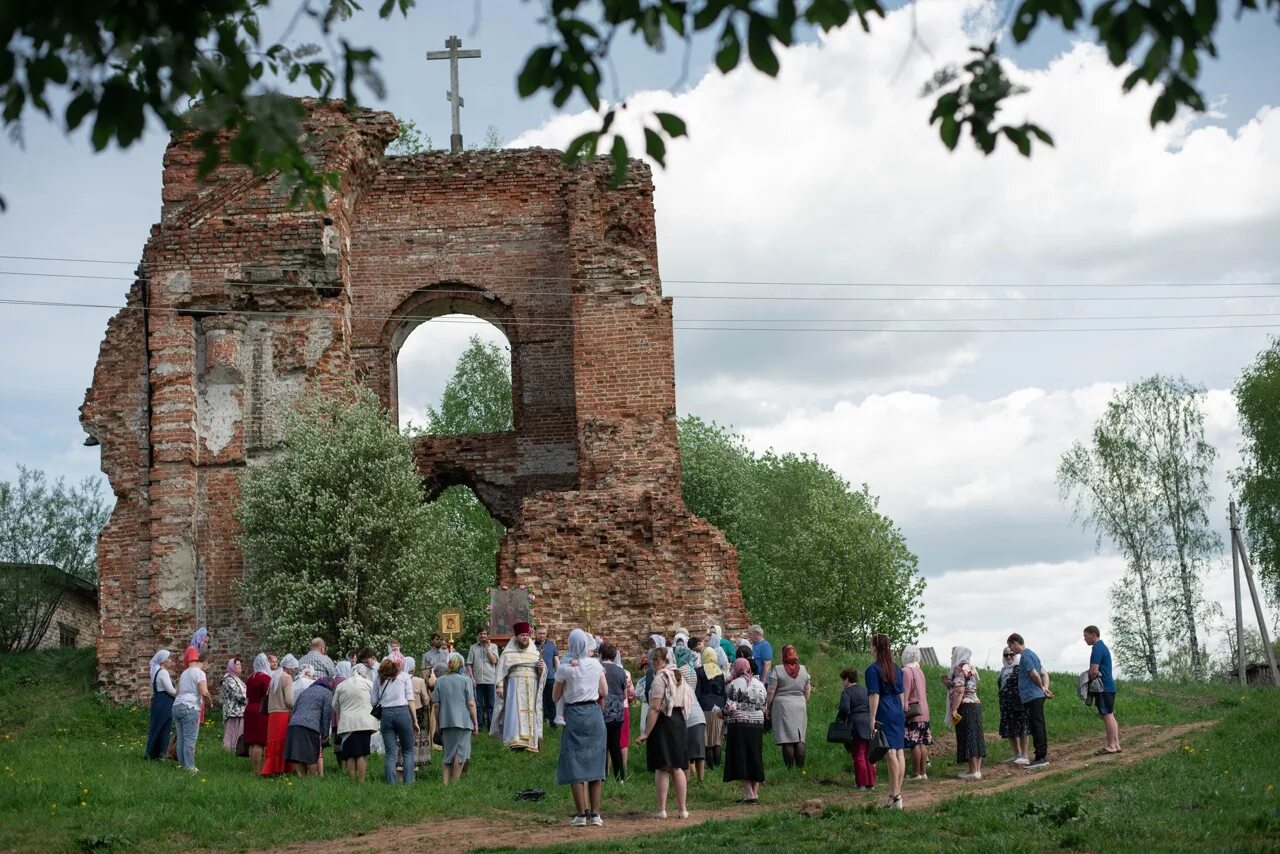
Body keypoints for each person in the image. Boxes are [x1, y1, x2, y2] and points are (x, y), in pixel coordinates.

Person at [553, 628, 608, 826]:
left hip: (575, 715)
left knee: (575, 762)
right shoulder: (596, 665)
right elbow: (604, 690)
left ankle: (581, 814)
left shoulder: (566, 668)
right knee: (595, 762)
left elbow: (555, 696)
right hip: (594, 714)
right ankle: (596, 814)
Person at [637, 646, 691, 819]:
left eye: (657, 660)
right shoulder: (679, 676)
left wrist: (646, 732)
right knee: (677, 766)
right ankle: (682, 809)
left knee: (662, 766)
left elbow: (654, 707)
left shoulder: (661, 678)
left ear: (665, 661)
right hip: (678, 721)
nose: (654, 664)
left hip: (664, 722)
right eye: (653, 660)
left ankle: (662, 809)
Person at [492, 621, 548, 751]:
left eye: (527, 635)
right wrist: (499, 685)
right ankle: (514, 739)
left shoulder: (534, 652)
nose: (525, 637)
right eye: (522, 635)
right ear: (516, 637)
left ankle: (531, 742)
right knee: (514, 712)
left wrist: (541, 669)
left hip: (531, 687)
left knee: (531, 711)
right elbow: (501, 670)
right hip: (514, 686)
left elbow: (543, 670)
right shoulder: (508, 653)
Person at [866, 633, 905, 809]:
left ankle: (895, 796)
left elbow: (874, 694)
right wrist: (902, 709)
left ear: (875, 647)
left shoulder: (873, 670)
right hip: (897, 709)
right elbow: (901, 692)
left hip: (884, 709)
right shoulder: (896, 668)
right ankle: (895, 794)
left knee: (889, 752)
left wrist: (872, 717)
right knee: (899, 752)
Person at [722, 657, 766, 805]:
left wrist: (721, 713)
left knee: (741, 757)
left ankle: (749, 793)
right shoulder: (760, 684)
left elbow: (731, 707)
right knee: (754, 756)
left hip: (739, 724)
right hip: (757, 724)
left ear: (737, 668)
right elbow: (764, 705)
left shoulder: (734, 684)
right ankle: (755, 793)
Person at [1007, 632, 1052, 768]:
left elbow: (1034, 673)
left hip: (1033, 696)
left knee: (1036, 725)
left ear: (1016, 643)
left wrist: (1042, 688)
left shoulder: (1025, 656)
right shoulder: (1032, 654)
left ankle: (1041, 757)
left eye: (1011, 646)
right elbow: (1043, 673)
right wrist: (1044, 688)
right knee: (1037, 725)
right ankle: (1041, 754)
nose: (1011, 650)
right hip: (1034, 696)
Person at [433, 652, 478, 785]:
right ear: (461, 666)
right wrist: (475, 722)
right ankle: (455, 782)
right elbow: (471, 703)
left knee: (447, 753)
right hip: (464, 722)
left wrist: (438, 723)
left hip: (446, 722)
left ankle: (445, 783)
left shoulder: (440, 681)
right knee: (461, 753)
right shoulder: (466, 680)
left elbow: (436, 705)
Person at [765, 644, 812, 770]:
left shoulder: (778, 669)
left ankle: (789, 769)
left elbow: (771, 690)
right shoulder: (803, 669)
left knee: (787, 738)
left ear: (783, 655)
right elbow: (807, 689)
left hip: (783, 706)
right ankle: (800, 768)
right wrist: (804, 701)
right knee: (799, 737)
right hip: (800, 705)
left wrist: (768, 707)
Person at [332, 656, 378, 782]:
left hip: (347, 723)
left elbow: (334, 704)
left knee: (350, 754)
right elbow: (375, 700)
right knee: (362, 753)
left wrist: (342, 713)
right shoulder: (368, 683)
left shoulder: (341, 685)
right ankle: (361, 780)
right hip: (365, 722)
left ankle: (352, 780)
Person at [375, 656, 418, 784]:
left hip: (386, 714)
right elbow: (410, 699)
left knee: (390, 753)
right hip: (402, 713)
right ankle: (408, 782)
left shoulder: (379, 678)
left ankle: (390, 783)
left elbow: (373, 700)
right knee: (408, 750)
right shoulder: (405, 677)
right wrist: (415, 720)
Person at [945, 646, 986, 780]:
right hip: (975, 704)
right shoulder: (971, 668)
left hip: (965, 706)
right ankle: (977, 770)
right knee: (976, 736)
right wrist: (949, 683)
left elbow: (959, 691)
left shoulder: (959, 668)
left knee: (968, 736)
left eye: (953, 654)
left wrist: (954, 709)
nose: (952, 657)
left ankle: (972, 770)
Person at [286, 674, 334, 776]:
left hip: (294, 724)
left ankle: (302, 779)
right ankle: (312, 779)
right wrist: (325, 734)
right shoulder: (327, 693)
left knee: (299, 756)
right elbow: (326, 715)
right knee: (310, 756)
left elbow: (294, 708)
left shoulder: (305, 691)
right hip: (310, 726)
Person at [1084, 625, 1121, 754]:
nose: (1084, 639)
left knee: (1106, 715)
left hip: (1103, 688)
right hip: (1109, 686)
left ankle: (1111, 745)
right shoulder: (1103, 647)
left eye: (1086, 636)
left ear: (1093, 635)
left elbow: (1094, 671)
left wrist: (1087, 681)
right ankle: (1116, 744)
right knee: (1110, 714)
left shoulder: (1097, 648)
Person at [837, 667, 876, 790]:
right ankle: (871, 783)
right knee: (868, 754)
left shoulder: (847, 692)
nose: (843, 683)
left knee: (858, 753)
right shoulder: (865, 691)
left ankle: (862, 783)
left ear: (847, 679)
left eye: (843, 680)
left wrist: (840, 721)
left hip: (856, 724)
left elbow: (844, 709)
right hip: (868, 723)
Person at [173, 652, 211, 772]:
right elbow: (203, 691)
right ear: (205, 663)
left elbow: (176, 691)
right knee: (190, 739)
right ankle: (190, 767)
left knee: (180, 739)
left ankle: (182, 765)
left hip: (177, 705)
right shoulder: (200, 673)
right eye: (209, 665)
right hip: (190, 707)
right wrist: (210, 701)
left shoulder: (184, 673)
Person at [261, 653, 298, 776]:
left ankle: (271, 768)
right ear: (289, 667)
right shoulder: (286, 678)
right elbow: (289, 700)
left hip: (273, 714)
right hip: (282, 714)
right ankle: (282, 767)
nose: (295, 670)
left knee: (273, 742)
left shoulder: (275, 677)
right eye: (294, 668)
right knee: (282, 742)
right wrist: (294, 707)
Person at [677, 639, 707, 783]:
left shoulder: (679, 671)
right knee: (700, 752)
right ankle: (701, 780)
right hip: (698, 712)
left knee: (687, 751)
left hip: (688, 713)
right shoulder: (692, 670)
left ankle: (686, 780)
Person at [901, 645, 933, 781]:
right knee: (922, 743)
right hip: (924, 711)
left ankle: (916, 773)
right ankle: (923, 772)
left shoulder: (905, 671)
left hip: (913, 712)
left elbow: (905, 693)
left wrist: (903, 708)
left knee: (914, 743)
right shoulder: (920, 671)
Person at [599, 641, 630, 781]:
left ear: (600, 653)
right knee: (615, 745)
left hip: (602, 710)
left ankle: (603, 775)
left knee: (603, 746)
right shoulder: (621, 671)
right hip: (617, 713)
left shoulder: (598, 668)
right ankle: (620, 777)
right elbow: (625, 694)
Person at [697, 632, 727, 770]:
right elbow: (723, 691)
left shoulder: (700, 671)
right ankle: (717, 765)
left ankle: (710, 767)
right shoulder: (720, 671)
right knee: (717, 739)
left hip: (705, 706)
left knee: (707, 739)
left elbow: (698, 691)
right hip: (719, 706)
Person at [997, 647, 1030, 765]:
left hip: (1019, 703)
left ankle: (1024, 755)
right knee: (1010, 729)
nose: (1009, 657)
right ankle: (1016, 754)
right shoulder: (1003, 670)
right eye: (1006, 655)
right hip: (1006, 704)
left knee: (1022, 728)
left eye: (1011, 654)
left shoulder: (1020, 668)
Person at [145, 649, 176, 760]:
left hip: (162, 701)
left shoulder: (160, 672)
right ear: (163, 661)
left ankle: (156, 752)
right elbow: (171, 691)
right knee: (162, 727)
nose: (171, 661)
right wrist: (182, 693)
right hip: (164, 702)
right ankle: (158, 753)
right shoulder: (163, 672)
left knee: (160, 726)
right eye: (169, 659)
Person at [243, 653, 272, 772]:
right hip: (260, 709)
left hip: (249, 709)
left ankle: (253, 767)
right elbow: (267, 695)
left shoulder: (251, 678)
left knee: (252, 741)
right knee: (260, 741)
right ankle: (258, 768)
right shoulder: (265, 678)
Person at [466, 630, 499, 732]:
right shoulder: (473, 647)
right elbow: (469, 664)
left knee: (491, 704)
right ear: (478, 636)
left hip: (490, 679)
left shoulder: (493, 646)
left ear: (487, 635)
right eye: (481, 634)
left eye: (485, 634)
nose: (483, 636)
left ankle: (490, 727)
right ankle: (479, 726)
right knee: (478, 704)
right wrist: (471, 678)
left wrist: (487, 649)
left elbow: (494, 661)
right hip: (477, 680)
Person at [407, 657, 433, 774]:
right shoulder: (419, 681)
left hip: (403, 712)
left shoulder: (397, 679)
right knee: (418, 738)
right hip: (418, 712)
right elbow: (426, 701)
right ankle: (417, 762)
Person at [221, 657, 248, 752]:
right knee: (232, 730)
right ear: (232, 666)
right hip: (233, 710)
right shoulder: (228, 679)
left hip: (240, 710)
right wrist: (247, 701)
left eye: (240, 664)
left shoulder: (237, 679)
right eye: (237, 664)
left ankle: (238, 748)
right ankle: (229, 749)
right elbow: (235, 694)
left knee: (239, 730)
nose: (240, 666)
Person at [536, 624, 559, 724]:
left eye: (544, 633)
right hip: (536, 676)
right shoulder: (531, 646)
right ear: (536, 634)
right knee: (538, 700)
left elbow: (556, 661)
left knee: (551, 700)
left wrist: (558, 675)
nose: (542, 635)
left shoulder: (551, 645)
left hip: (550, 677)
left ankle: (553, 722)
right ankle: (539, 721)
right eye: (540, 633)